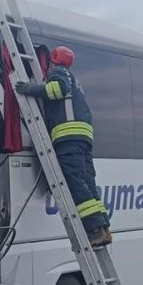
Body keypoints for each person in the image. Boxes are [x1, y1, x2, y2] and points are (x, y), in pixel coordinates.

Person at [15, 44, 112, 247]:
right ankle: (103, 228)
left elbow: (57, 89)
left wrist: (30, 89)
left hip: (68, 137)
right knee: (88, 182)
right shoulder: (74, 79)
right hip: (82, 137)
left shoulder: (59, 73)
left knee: (75, 182)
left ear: (53, 61)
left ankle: (94, 229)